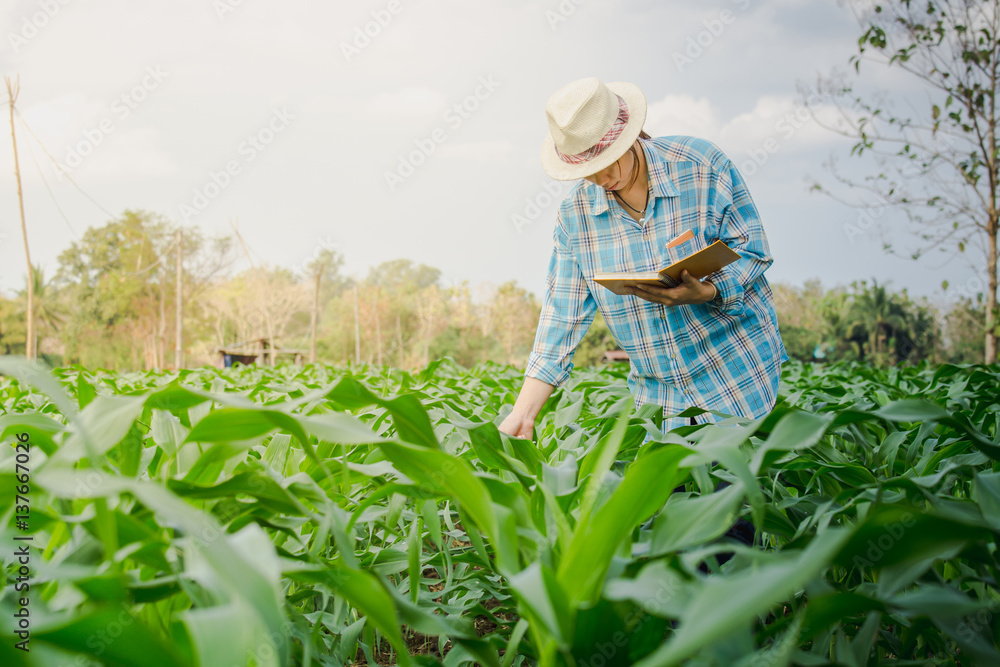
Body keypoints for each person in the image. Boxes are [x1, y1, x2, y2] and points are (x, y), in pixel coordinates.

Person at [499, 77, 788, 439]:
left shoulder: (701, 166)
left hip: (738, 378)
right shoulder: (576, 216)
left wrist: (708, 292)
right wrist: (524, 415)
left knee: (737, 491)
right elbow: (562, 314)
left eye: (607, 161)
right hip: (660, 403)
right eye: (585, 169)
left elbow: (753, 251)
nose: (601, 177)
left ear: (630, 136)